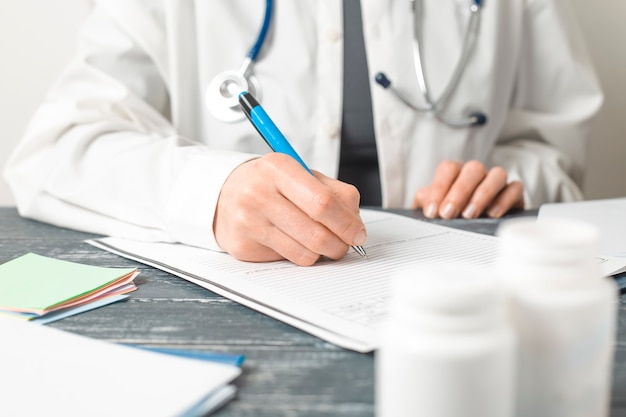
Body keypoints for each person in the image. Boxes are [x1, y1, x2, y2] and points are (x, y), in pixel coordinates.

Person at [4, 0, 602, 266]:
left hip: (455, 286)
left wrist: (508, 184)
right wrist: (216, 194)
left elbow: (553, 147)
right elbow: (56, 148)